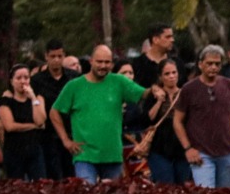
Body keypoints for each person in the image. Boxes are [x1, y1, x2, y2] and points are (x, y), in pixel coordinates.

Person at [50, 44, 148, 184]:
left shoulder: (119, 82)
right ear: (91, 61)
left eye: (107, 62)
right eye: (99, 62)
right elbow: (54, 112)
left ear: (112, 64)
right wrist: (66, 140)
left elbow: (143, 93)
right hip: (84, 156)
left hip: (112, 155)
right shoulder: (74, 86)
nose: (103, 66)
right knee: (88, 193)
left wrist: (155, 89)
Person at [174, 45, 230, 189]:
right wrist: (188, 148)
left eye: (217, 64)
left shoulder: (228, 85)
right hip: (201, 153)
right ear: (200, 64)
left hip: (227, 151)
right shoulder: (189, 89)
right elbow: (177, 121)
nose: (213, 67)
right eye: (209, 63)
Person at [30, 39, 80, 180]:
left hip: (72, 133)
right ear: (46, 56)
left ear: (64, 56)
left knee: (73, 177)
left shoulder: (74, 78)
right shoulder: (37, 81)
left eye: (59, 56)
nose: (56, 60)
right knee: (53, 177)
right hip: (48, 136)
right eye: (53, 56)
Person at [141, 59, 191, 184]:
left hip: (182, 149)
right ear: (160, 76)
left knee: (183, 187)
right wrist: (159, 101)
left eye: (174, 72)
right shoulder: (154, 95)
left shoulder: (185, 94)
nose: (171, 76)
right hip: (159, 149)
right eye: (167, 74)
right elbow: (148, 119)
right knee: (165, 185)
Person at [0, 64, 48, 181]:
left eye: (26, 77)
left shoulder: (38, 99)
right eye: (19, 78)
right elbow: (10, 126)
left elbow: (40, 121)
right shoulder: (5, 102)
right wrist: (33, 126)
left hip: (34, 149)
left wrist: (33, 98)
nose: (23, 81)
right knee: (16, 184)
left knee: (40, 183)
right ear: (11, 81)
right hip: (14, 150)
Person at [131, 23, 175, 89]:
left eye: (172, 37)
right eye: (168, 37)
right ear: (155, 40)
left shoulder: (176, 62)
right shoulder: (138, 64)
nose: (172, 40)